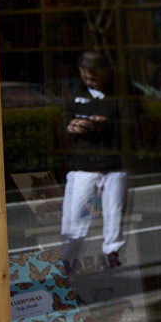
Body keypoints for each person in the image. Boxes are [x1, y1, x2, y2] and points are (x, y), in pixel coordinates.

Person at [61, 50, 127, 270]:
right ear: (80, 72)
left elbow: (135, 127)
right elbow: (59, 126)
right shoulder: (73, 95)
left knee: (114, 212)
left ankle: (112, 252)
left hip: (113, 164)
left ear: (107, 72)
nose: (90, 79)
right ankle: (70, 257)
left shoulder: (120, 95)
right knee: (77, 216)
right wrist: (70, 128)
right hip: (84, 165)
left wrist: (105, 124)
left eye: (95, 75)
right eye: (86, 75)